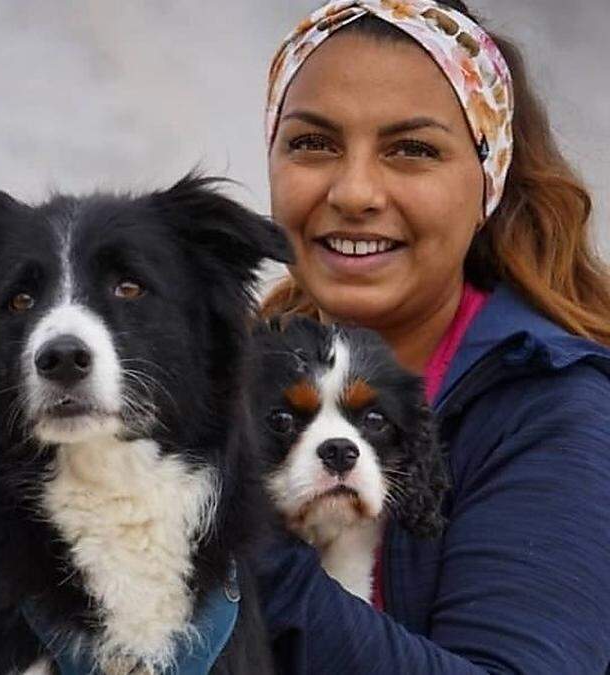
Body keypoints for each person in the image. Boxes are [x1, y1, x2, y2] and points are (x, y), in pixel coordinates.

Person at [256, 0, 610, 672]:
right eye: (312, 142)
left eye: (412, 149)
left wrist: (231, 551)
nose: (354, 190)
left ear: (487, 182)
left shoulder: (549, 407)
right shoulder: (238, 373)